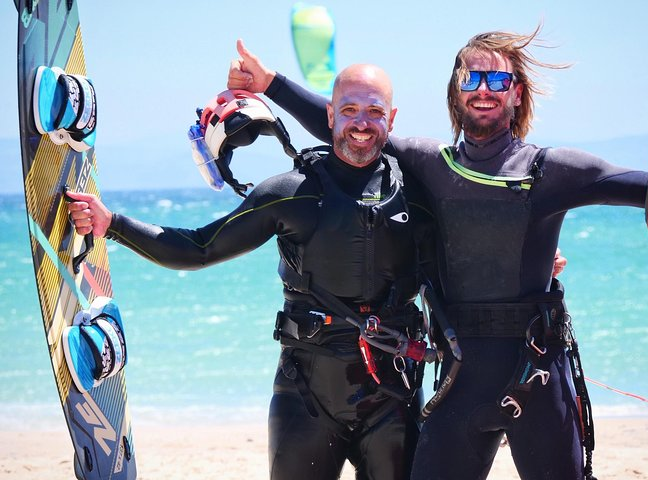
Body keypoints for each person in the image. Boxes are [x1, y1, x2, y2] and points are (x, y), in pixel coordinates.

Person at [226, 27, 648, 480]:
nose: (483, 90)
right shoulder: (431, 165)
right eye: (471, 79)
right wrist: (270, 83)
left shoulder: (553, 171)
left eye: (498, 81)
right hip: (460, 377)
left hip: (536, 373)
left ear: (518, 94)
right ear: (455, 91)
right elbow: (352, 128)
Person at [67, 66, 435, 480]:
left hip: (394, 396)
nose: (362, 123)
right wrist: (113, 224)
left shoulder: (419, 196)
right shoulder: (289, 193)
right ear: (330, 115)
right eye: (349, 110)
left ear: (393, 117)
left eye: (374, 111)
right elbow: (200, 248)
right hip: (307, 394)